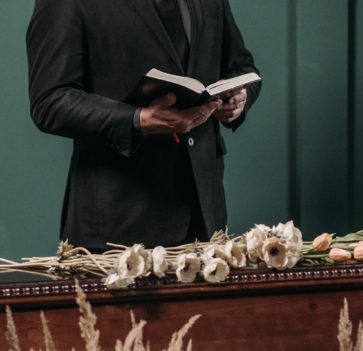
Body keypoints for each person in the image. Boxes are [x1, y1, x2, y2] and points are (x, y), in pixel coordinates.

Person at [26, 0, 261, 250]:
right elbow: (50, 101)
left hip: (206, 219)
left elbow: (241, 67)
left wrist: (241, 97)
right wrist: (139, 120)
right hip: (117, 226)